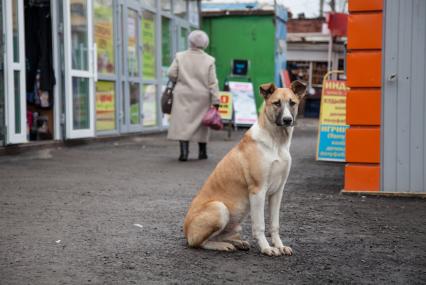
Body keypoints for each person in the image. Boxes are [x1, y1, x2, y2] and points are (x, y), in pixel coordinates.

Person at [167, 30, 220, 161]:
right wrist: (216, 99)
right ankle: (202, 152)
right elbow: (212, 82)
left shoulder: (180, 56)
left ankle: (184, 153)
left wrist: (180, 79)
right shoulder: (209, 60)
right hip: (202, 96)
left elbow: (171, 73)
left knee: (182, 122)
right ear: (205, 43)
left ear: (190, 42)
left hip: (183, 94)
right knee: (201, 124)